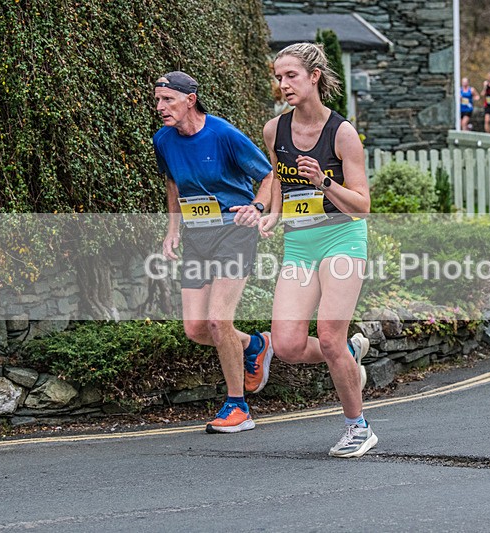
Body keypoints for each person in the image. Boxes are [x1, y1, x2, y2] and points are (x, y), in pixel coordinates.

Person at [251, 43, 377, 458]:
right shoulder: (275, 130)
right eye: (279, 76)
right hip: (300, 243)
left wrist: (325, 182)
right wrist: (271, 214)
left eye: (290, 76)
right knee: (286, 345)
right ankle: (349, 355)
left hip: (342, 238)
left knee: (327, 336)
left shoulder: (342, 133)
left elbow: (362, 205)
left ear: (314, 77)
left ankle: (357, 427)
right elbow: (277, 181)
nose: (282, 84)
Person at [153, 71, 276, 433]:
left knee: (218, 321)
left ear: (190, 99)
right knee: (195, 328)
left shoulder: (223, 134)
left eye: (167, 100)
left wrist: (257, 207)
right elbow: (172, 182)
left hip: (234, 232)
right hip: (197, 236)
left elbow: (268, 176)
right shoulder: (163, 139)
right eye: (158, 100)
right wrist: (172, 229)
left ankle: (238, 407)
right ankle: (256, 344)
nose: (160, 107)